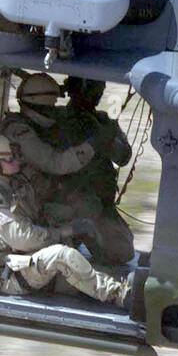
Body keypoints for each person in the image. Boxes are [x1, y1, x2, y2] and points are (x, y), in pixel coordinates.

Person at [0, 134, 134, 307]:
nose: (17, 161)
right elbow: (22, 238)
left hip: (21, 263)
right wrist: (61, 232)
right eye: (10, 158)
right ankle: (119, 295)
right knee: (62, 255)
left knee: (81, 275)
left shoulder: (13, 187)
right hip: (2, 273)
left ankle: (123, 288)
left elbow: (38, 213)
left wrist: (72, 222)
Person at [34, 77, 135, 265]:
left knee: (125, 251)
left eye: (100, 88)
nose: (98, 94)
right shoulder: (56, 120)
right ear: (77, 90)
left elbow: (123, 157)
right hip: (70, 202)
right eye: (93, 89)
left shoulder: (103, 121)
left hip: (100, 203)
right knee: (118, 252)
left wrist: (103, 134)